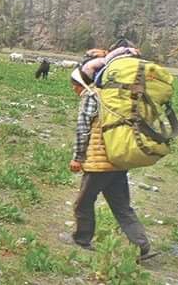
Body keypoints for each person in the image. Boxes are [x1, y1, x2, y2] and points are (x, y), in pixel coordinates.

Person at [67, 68, 157, 261]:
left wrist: (77, 157)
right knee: (122, 206)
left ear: (79, 84)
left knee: (82, 203)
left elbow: (83, 130)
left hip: (99, 163)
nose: (74, 90)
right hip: (119, 160)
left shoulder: (91, 97)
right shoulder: (116, 96)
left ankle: (81, 239)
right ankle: (142, 246)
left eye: (74, 86)